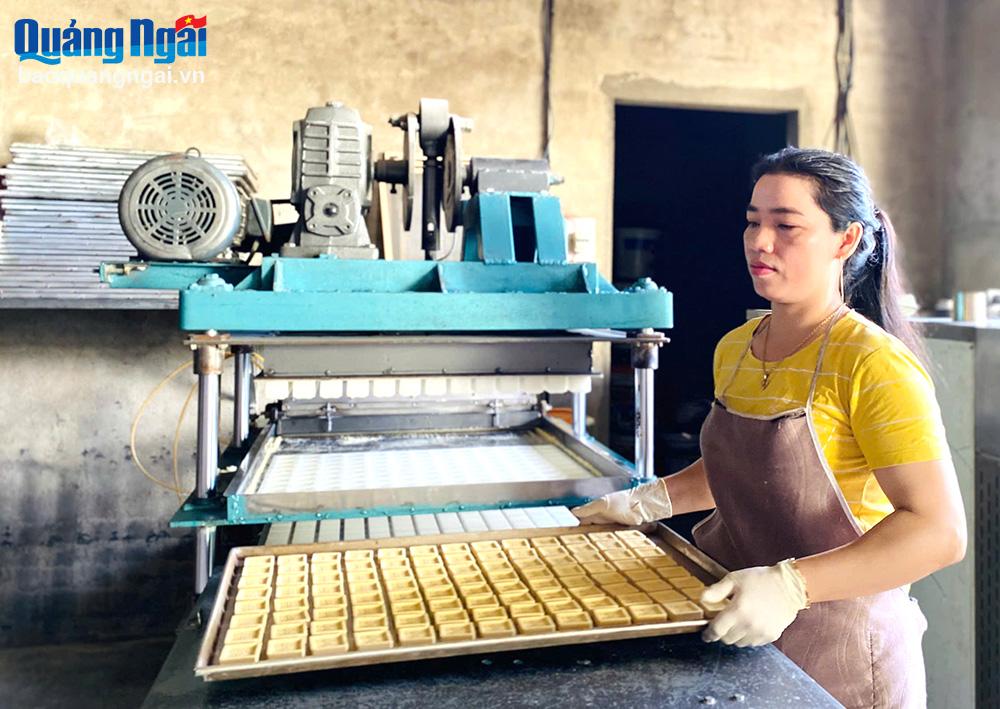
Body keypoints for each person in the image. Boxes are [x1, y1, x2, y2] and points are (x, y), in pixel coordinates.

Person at [572, 147, 966, 708]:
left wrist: (791, 585)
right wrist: (648, 501)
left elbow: (939, 532)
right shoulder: (737, 347)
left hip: (845, 651)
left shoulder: (873, 364)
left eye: (787, 226)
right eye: (753, 221)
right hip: (739, 626)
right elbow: (745, 468)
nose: (760, 242)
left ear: (845, 240)